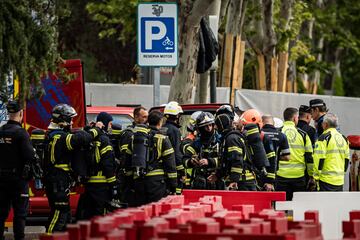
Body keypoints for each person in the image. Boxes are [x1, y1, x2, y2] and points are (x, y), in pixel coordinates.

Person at [44, 104, 102, 233]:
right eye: (70, 119)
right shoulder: (60, 137)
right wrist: (96, 130)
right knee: (60, 214)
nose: (72, 122)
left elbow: (76, 134)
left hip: (56, 179)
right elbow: (81, 139)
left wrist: (87, 128)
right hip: (57, 180)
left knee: (64, 215)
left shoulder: (54, 134)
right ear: (64, 119)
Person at [0, 100, 35, 240]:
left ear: (9, 114)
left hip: (1, 179)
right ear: (21, 114)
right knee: (20, 214)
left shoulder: (1, 131)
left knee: (1, 213)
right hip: (18, 180)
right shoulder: (22, 133)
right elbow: (29, 156)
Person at [127, 110, 177, 206]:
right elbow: (171, 165)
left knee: (140, 212)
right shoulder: (162, 139)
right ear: (160, 122)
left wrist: (130, 183)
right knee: (155, 211)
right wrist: (173, 186)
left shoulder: (135, 138)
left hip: (138, 182)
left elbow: (127, 161)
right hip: (156, 183)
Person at [76, 112, 117, 220]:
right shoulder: (104, 139)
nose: (111, 126)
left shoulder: (89, 137)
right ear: (105, 123)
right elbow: (108, 163)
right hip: (102, 184)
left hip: (88, 183)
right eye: (110, 123)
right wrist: (113, 183)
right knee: (100, 215)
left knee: (88, 214)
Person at [276, 108, 314, 200]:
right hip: (299, 177)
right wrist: (311, 175)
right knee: (298, 207)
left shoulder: (278, 133)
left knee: (281, 206)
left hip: (281, 175)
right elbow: (309, 158)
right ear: (294, 118)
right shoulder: (303, 135)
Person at [215, 113, 256, 191]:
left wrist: (234, 180)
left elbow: (237, 160)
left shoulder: (231, 139)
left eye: (217, 126)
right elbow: (226, 162)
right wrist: (218, 175)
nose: (216, 128)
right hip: (241, 182)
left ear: (221, 126)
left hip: (242, 183)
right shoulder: (230, 137)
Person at [183, 112, 222, 190]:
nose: (209, 128)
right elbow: (184, 160)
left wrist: (210, 161)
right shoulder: (196, 143)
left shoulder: (220, 141)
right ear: (200, 128)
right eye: (206, 126)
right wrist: (191, 161)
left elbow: (227, 161)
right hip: (200, 183)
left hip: (217, 180)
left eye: (210, 125)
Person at [117, 106, 148, 205]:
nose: (146, 120)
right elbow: (125, 156)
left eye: (147, 117)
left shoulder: (143, 133)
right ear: (135, 117)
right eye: (143, 117)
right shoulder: (129, 133)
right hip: (128, 177)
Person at [313, 113, 350, 191]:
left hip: (326, 181)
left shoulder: (323, 138)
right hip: (339, 181)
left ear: (325, 124)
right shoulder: (344, 139)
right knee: (336, 203)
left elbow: (319, 159)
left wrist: (315, 177)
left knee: (325, 202)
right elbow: (346, 159)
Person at [240, 109, 274, 191]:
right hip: (250, 178)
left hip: (262, 178)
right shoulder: (243, 138)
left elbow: (272, 159)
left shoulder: (264, 138)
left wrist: (270, 181)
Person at [261, 115, 291, 190]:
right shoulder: (282, 136)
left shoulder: (258, 134)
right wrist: (276, 156)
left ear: (262, 122)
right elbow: (287, 157)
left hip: (258, 173)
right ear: (273, 123)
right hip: (273, 173)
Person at [163, 101, 185, 194]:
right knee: (176, 191)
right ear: (177, 116)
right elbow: (177, 152)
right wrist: (182, 170)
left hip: (163, 168)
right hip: (173, 167)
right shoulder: (175, 130)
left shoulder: (163, 128)